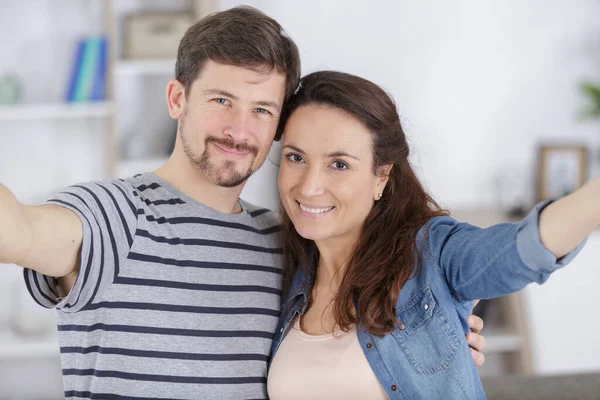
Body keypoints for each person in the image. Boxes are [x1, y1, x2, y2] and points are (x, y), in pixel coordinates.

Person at [0, 6, 485, 399]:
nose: (239, 129)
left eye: (261, 110)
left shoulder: (287, 240)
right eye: (220, 101)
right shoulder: (114, 215)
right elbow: (17, 230)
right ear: (177, 99)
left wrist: (437, 341)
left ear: (278, 128)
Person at [267, 70, 594, 400]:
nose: (309, 186)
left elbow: (518, 251)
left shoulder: (430, 255)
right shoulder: (285, 269)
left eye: (339, 164)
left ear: (381, 177)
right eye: (296, 157)